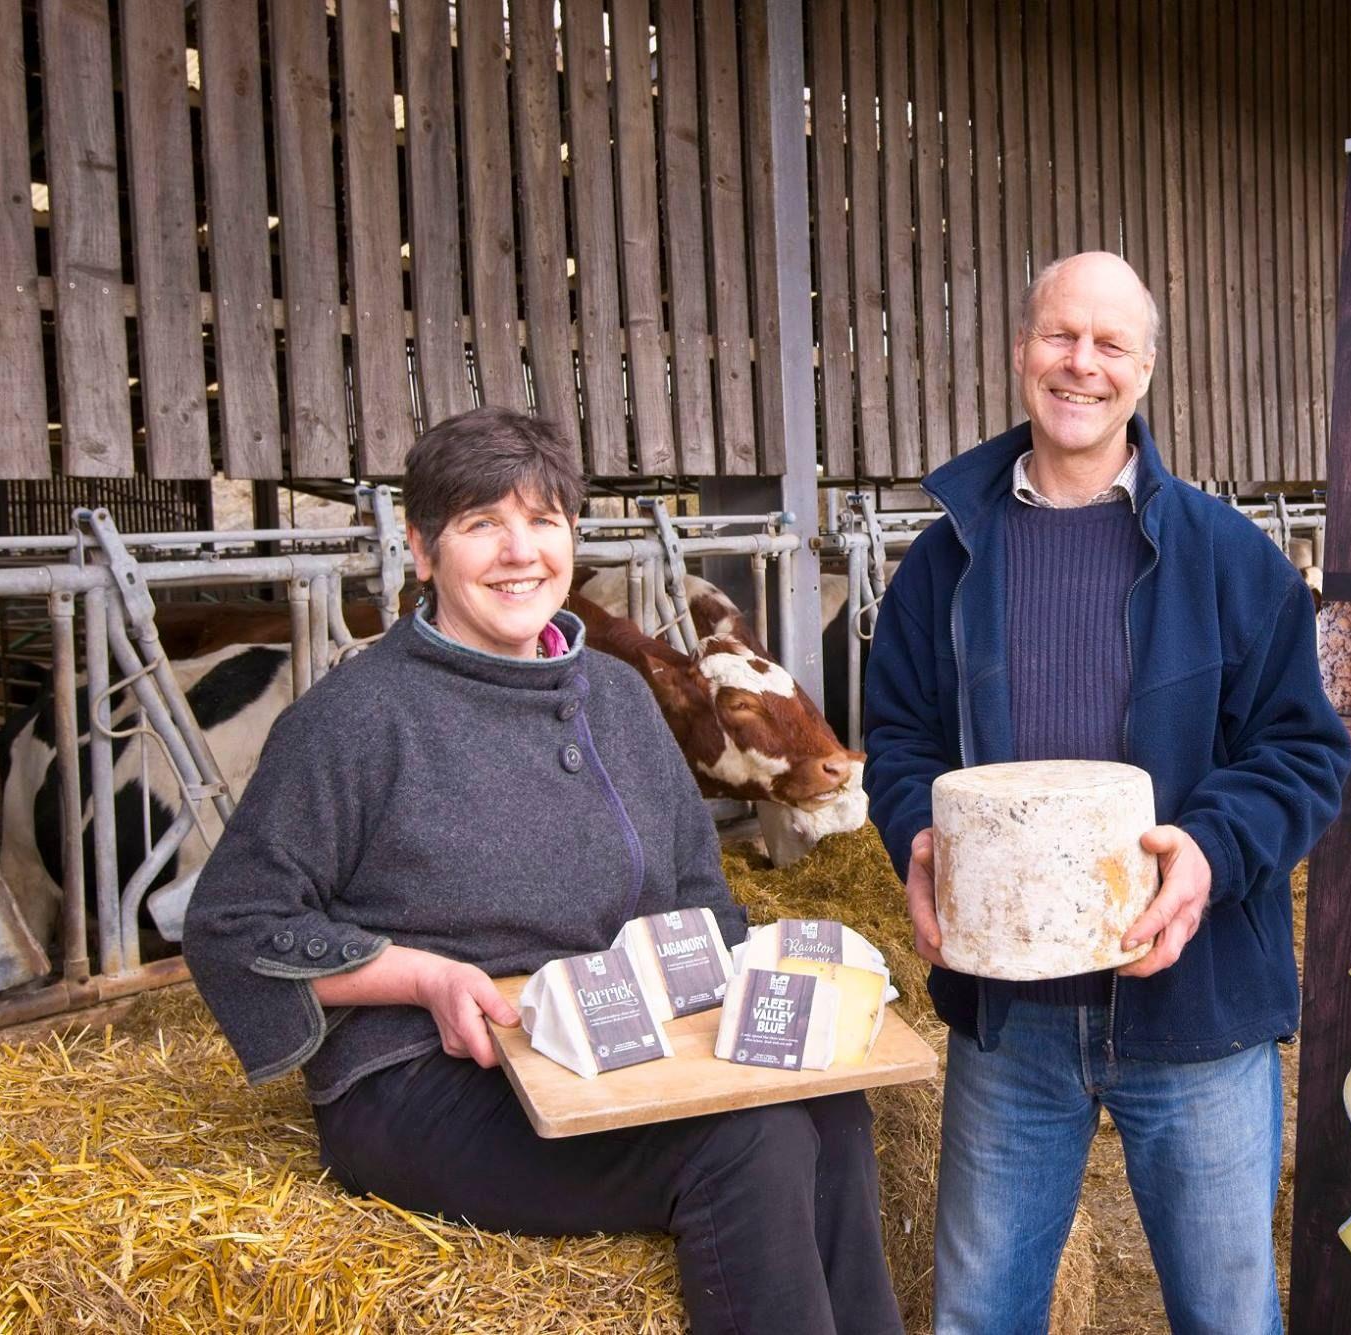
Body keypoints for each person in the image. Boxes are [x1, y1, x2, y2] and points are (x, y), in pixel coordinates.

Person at [183, 406, 903, 1335]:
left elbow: (699, 894)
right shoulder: (357, 718)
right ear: (422, 548)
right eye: (482, 524)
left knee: (825, 1101)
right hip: (427, 1077)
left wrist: (768, 987)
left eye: (544, 520)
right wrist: (420, 976)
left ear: (573, 535)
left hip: (618, 1042)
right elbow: (233, 922)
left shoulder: (615, 694)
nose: (519, 552)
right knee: (748, 1141)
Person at [861, 252, 1351, 1335]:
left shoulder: (1229, 559)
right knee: (978, 1314)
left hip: (1197, 1007)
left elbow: (1301, 752)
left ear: (1144, 371)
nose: (1079, 364)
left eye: (1109, 343)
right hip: (1009, 1021)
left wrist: (1211, 855)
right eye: (1058, 336)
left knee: (1227, 1315)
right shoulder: (943, 561)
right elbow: (895, 739)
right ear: (1021, 349)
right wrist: (917, 836)